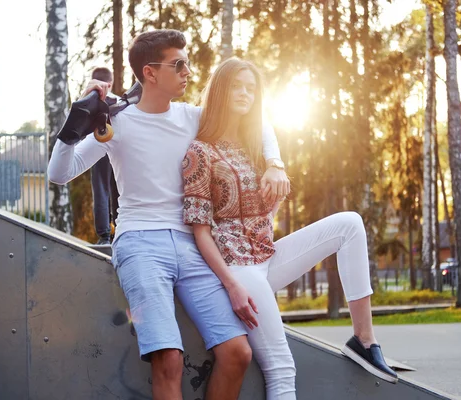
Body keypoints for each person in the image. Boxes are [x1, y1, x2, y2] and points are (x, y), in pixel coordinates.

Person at [47, 30, 290, 400]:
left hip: (193, 246)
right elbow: (58, 174)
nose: (188, 71)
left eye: (187, 63)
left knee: (237, 353)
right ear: (150, 73)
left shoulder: (193, 118)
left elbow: (256, 121)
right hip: (140, 245)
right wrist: (75, 121)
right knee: (169, 360)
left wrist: (274, 163)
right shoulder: (117, 122)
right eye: (179, 64)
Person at [182, 58, 398, 400]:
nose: (245, 94)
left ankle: (364, 340)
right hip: (238, 269)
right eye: (237, 86)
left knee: (350, 224)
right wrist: (232, 285)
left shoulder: (256, 150)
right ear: (220, 90)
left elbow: (265, 216)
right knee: (282, 368)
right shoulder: (199, 152)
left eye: (251, 88)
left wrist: (277, 175)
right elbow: (200, 232)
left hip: (267, 256)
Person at [88, 67, 120, 245]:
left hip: (97, 148)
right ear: (110, 82)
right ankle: (119, 227)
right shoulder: (119, 102)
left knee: (100, 189)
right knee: (117, 188)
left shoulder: (89, 101)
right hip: (116, 148)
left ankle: (104, 236)